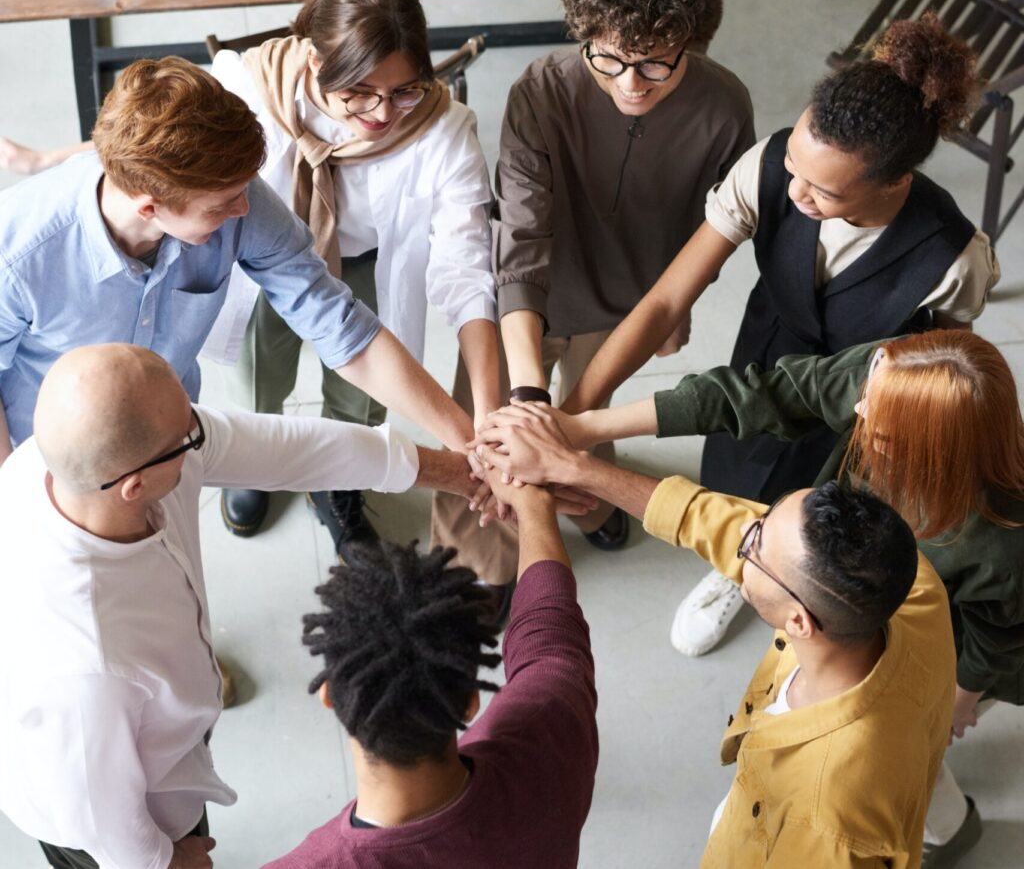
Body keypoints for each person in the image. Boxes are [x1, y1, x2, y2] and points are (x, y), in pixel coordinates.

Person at [561, 13, 998, 654]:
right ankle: (735, 569)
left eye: (822, 190)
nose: (794, 193)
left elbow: (942, 369)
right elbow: (663, 302)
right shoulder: (768, 168)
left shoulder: (955, 258)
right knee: (736, 467)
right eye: (793, 164)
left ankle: (789, 589)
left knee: (819, 517)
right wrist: (575, 413)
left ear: (895, 182)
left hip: (859, 404)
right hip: (767, 351)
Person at [0, 343, 490, 869]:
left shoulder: (78, 463)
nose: (200, 435)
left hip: (149, 732)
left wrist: (457, 472)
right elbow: (94, 815)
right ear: (134, 486)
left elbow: (288, 449)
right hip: (116, 822)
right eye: (187, 436)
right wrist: (164, 862)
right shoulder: (87, 666)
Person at [554, 329, 1021, 866]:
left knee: (921, 751)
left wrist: (956, 700)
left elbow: (998, 637)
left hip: (961, 660)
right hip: (896, 652)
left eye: (754, 548)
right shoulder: (892, 386)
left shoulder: (996, 546)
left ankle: (950, 823)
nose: (859, 406)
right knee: (915, 756)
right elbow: (767, 394)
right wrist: (581, 440)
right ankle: (951, 821)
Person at [471, 405, 956, 867]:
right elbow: (717, 520)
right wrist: (575, 467)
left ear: (799, 621)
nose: (742, 539)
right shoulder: (909, 586)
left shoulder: (823, 822)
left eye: (756, 544)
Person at [0, 56, 483, 509]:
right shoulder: (19, 252)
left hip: (170, 440)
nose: (243, 211)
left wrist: (471, 444)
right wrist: (12, 500)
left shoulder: (233, 192)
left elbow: (339, 325)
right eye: (222, 206)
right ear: (149, 207)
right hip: (42, 462)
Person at [456, 0, 754, 590]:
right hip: (527, 301)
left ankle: (587, 503)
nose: (630, 84)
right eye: (609, 58)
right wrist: (530, 397)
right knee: (494, 430)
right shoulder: (541, 90)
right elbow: (522, 240)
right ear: (584, 34)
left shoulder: (726, 108)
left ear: (691, 43)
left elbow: (712, 233)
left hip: (630, 303)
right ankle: (483, 568)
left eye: (656, 62)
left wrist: (565, 429)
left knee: (589, 412)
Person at [201, 0, 500, 549]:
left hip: (366, 258)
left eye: (404, 91)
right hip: (262, 256)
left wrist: (482, 415)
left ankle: (340, 477)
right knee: (258, 368)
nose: (384, 114)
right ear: (314, 61)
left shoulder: (445, 128)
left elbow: (465, 266)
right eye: (359, 93)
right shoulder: (247, 85)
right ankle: (256, 460)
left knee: (364, 392)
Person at [261, 474, 597, 867]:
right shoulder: (552, 725)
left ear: (330, 695)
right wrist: (534, 507)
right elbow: (550, 633)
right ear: (470, 703)